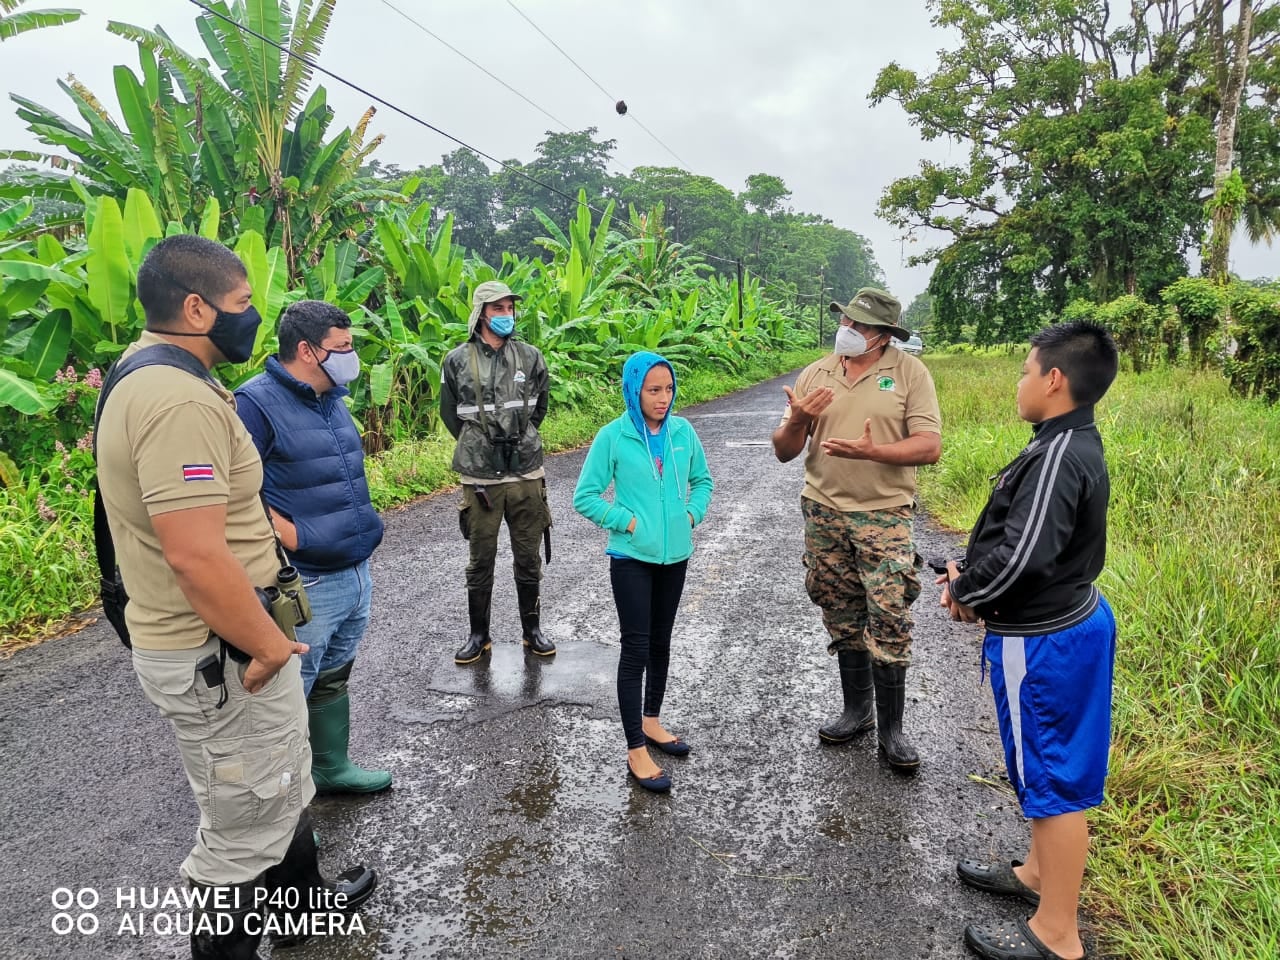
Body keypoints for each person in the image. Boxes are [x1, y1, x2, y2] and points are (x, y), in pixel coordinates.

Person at [95, 235, 375, 959]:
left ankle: (302, 907)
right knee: (242, 830)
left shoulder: (156, 371)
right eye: (243, 302)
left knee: (280, 782)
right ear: (197, 309)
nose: (253, 315)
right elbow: (195, 553)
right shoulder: (176, 400)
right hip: (221, 650)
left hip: (231, 637)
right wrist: (267, 643)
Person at [939, 322, 1119, 960]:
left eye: (1024, 370)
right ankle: (1039, 876)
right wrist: (967, 574)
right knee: (1043, 766)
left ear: (1054, 379)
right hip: (1060, 627)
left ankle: (1057, 933)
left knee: (1053, 778)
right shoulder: (1065, 441)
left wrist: (967, 592)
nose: (1018, 382)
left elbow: (1023, 557)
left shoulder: (1058, 454)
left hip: (1046, 640)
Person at [771, 287, 941, 772]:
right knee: (840, 609)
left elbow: (929, 446)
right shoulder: (816, 373)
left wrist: (874, 453)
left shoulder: (910, 373)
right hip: (823, 510)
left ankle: (892, 729)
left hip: (884, 513)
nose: (847, 329)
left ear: (884, 335)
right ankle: (857, 710)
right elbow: (784, 450)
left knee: (889, 613)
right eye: (846, 320)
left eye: (859, 325)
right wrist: (798, 420)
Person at [234, 300, 391, 795]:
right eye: (342, 347)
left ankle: (329, 767)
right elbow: (233, 488)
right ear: (307, 350)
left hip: (354, 569)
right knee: (287, 694)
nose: (351, 356)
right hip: (307, 578)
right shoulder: (254, 404)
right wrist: (289, 532)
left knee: (332, 676)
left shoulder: (332, 399)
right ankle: (282, 811)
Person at [573, 352, 713, 793]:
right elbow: (585, 496)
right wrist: (628, 523)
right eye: (653, 390)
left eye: (668, 389)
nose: (662, 398)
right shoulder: (613, 437)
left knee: (660, 642)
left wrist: (690, 515)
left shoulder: (682, 432)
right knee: (635, 649)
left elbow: (703, 481)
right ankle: (635, 747)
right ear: (634, 390)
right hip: (631, 558)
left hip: (676, 556)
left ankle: (652, 721)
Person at [440, 280, 555, 664]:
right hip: (480, 477)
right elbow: (450, 414)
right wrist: (478, 443)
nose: (506, 315)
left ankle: (532, 631)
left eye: (509, 308)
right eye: (498, 308)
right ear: (481, 314)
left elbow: (540, 407)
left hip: (526, 472)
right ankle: (479, 636)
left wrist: (520, 438)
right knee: (480, 560)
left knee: (528, 557)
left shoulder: (531, 356)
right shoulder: (457, 360)